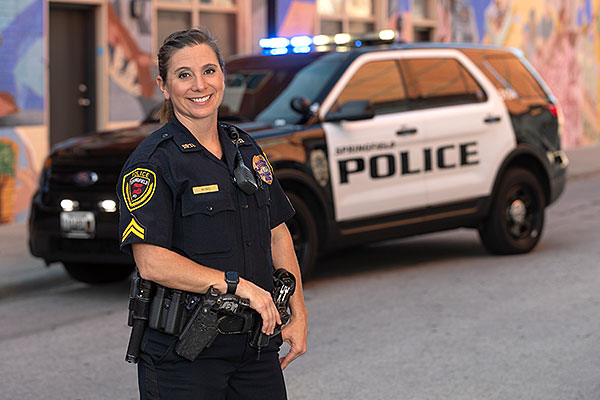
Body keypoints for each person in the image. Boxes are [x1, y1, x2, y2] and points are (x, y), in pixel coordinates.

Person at [117, 27, 308, 399]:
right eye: (183, 75)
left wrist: (298, 314)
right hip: (183, 355)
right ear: (163, 85)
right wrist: (238, 286)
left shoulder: (245, 147)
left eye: (208, 71)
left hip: (256, 346)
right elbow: (152, 262)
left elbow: (277, 233)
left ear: (223, 76)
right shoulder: (152, 163)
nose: (198, 85)